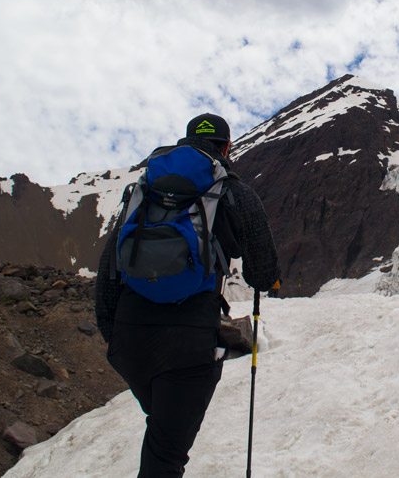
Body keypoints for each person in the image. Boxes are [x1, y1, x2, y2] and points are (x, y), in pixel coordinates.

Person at [95, 113, 280, 477]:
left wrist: (116, 337)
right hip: (188, 342)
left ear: (186, 140)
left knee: (162, 438)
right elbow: (263, 272)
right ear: (227, 147)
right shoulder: (231, 190)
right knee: (166, 456)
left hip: (131, 338)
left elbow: (109, 269)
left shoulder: (145, 189)